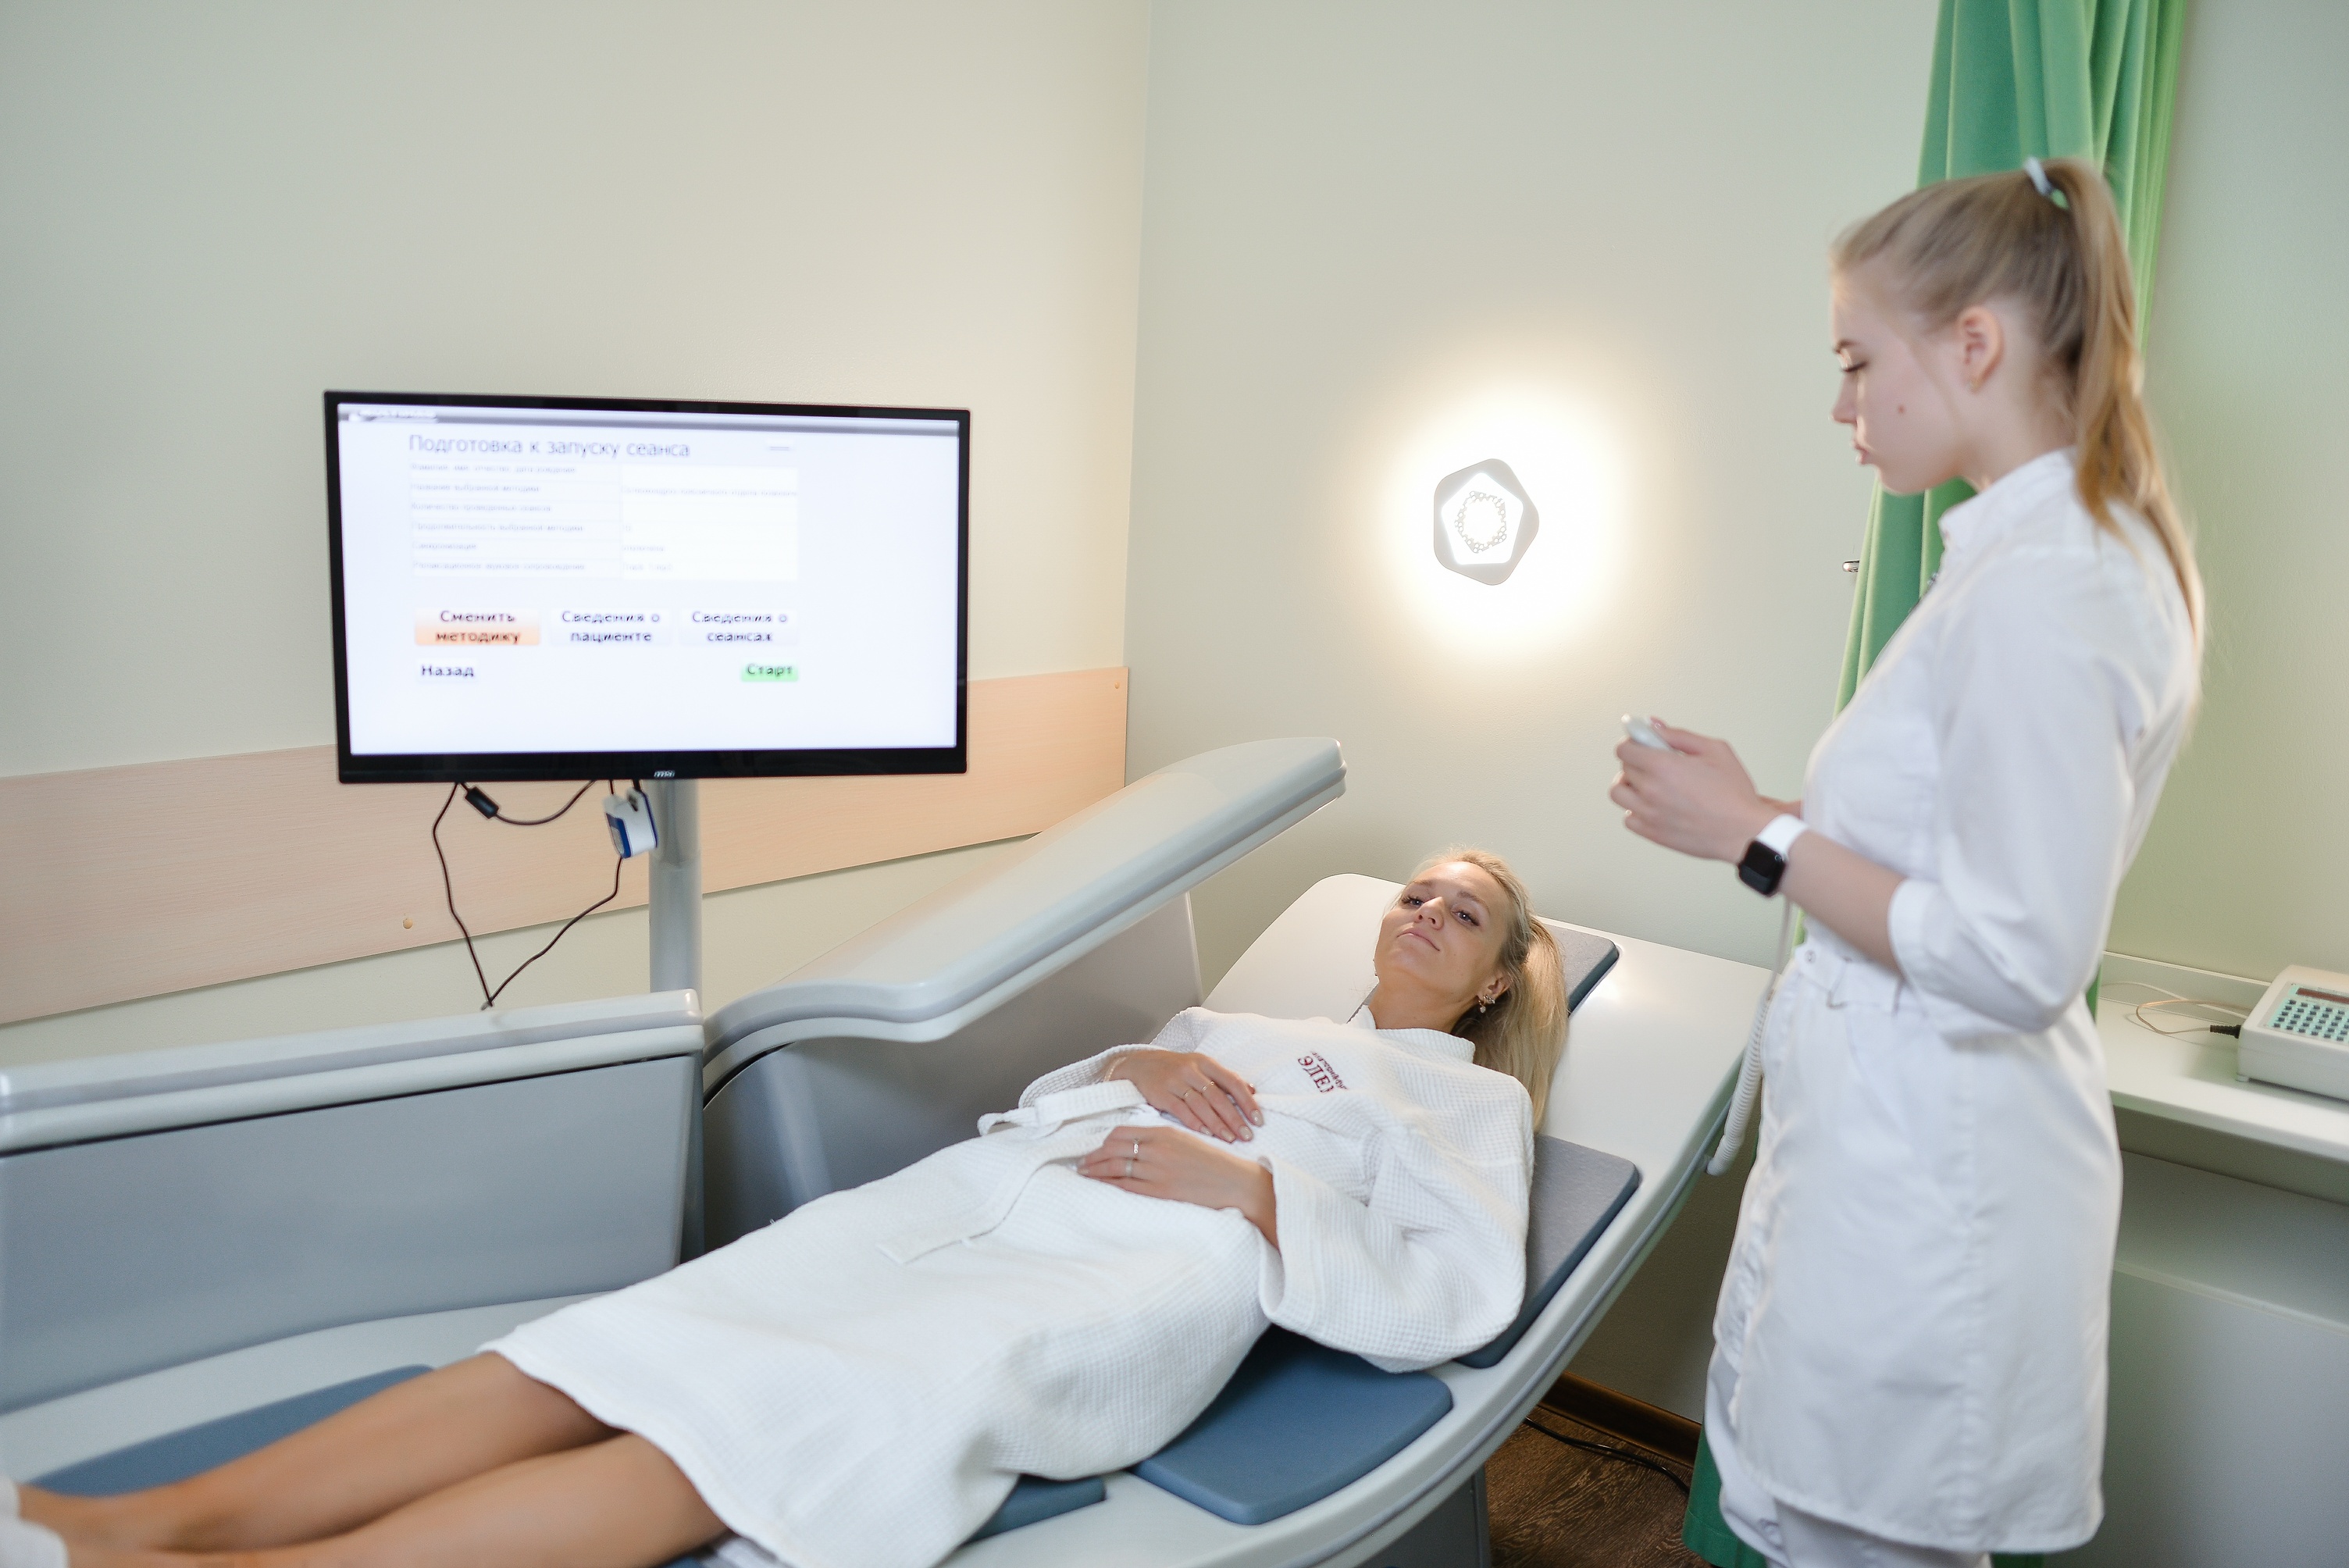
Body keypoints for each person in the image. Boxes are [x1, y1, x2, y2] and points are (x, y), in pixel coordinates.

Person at [5, 850, 1567, 1568]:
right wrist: (1133, 1060)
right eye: (1415, 892)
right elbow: (1038, 1111)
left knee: (769, 1421)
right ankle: (132, 1522)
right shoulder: (1231, 1020)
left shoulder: (1466, 1103)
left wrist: (1259, 1190)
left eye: (1467, 912)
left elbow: (1457, 1288)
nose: (1426, 912)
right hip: (970, 1203)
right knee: (629, 1338)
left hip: (1123, 1282)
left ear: (1498, 979)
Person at [1610, 158, 2201, 1568]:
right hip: (1893, 1166)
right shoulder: (2021, 562)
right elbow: (1948, 852)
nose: (1843, 405)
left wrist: (1752, 832)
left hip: (1938, 1196)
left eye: (1857, 360)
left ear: (1975, 343)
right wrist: (1757, 807)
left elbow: (2015, 954)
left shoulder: (2052, 587)